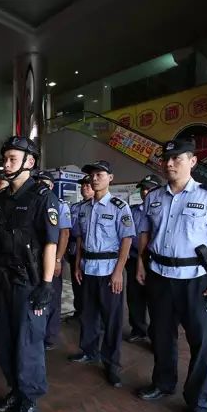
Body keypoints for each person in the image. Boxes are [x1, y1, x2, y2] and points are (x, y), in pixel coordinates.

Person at [135, 139, 207, 412]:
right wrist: (141, 263)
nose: (169, 163)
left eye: (176, 158)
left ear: (192, 161)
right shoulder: (153, 197)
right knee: (162, 337)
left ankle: (199, 403)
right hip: (160, 277)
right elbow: (144, 232)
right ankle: (163, 383)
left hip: (196, 281)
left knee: (201, 343)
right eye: (165, 158)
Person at [0, 136, 59, 412]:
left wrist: (46, 284)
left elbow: (50, 244)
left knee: (28, 344)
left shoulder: (42, 198)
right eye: (4, 159)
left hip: (28, 286)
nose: (6, 164)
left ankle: (29, 400)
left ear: (29, 162)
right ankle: (15, 391)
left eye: (12, 159)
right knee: (5, 342)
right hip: (3, 283)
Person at [68, 160, 135, 389]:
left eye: (99, 174)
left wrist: (118, 273)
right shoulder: (84, 208)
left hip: (109, 271)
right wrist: (77, 265)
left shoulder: (119, 207)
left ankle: (112, 364)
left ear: (110, 178)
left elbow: (126, 240)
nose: (94, 178)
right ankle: (88, 351)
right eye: (92, 175)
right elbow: (78, 238)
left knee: (112, 319)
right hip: (87, 269)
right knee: (88, 314)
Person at [33, 171, 71, 351]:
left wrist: (57, 259)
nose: (40, 184)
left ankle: (50, 335)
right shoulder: (32, 202)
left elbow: (64, 233)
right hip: (35, 259)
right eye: (38, 181)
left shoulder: (59, 205)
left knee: (52, 296)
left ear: (52, 186)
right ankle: (37, 332)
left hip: (52, 257)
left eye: (44, 182)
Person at [125, 174, 163, 343]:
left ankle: (157, 335)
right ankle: (138, 329)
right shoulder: (133, 211)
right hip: (134, 259)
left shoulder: (163, 209)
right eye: (143, 188)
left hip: (155, 261)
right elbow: (125, 233)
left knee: (156, 300)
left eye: (150, 188)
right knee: (135, 296)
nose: (146, 191)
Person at [65, 175, 94, 322]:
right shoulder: (75, 207)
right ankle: (79, 312)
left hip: (90, 252)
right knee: (77, 284)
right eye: (82, 185)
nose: (84, 188)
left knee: (89, 287)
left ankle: (90, 316)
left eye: (87, 185)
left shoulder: (96, 207)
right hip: (74, 249)